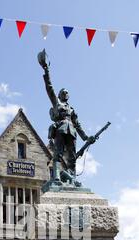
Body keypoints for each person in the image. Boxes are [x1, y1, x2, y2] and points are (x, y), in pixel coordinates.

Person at [38, 49, 96, 184]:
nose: (65, 93)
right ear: (59, 95)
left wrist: (86, 137)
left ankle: (72, 179)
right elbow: (49, 87)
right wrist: (46, 71)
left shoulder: (72, 109)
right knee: (58, 153)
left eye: (67, 92)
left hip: (72, 132)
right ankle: (57, 176)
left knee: (72, 157)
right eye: (63, 92)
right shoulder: (56, 103)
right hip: (61, 129)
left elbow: (78, 124)